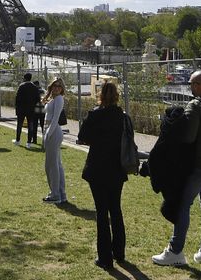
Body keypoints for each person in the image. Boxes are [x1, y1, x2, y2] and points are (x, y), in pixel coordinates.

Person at [152, 70, 201, 268]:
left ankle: (175, 251)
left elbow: (188, 138)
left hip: (200, 165)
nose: (190, 87)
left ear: (197, 85)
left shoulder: (195, 106)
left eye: (191, 84)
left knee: (183, 205)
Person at [78, 80, 128, 270]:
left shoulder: (95, 115)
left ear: (100, 95)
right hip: (116, 167)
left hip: (98, 166)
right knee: (115, 209)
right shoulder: (122, 116)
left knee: (102, 212)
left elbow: (83, 137)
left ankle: (105, 257)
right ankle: (119, 252)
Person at [41, 78, 67, 204]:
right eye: (55, 85)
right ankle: (60, 193)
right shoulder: (54, 99)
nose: (57, 88)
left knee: (51, 165)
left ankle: (55, 194)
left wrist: (48, 135)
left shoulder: (58, 99)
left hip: (53, 131)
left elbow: (55, 118)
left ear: (62, 88)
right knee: (56, 164)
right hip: (51, 130)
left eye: (59, 86)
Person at [14, 73, 40, 147]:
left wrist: (17, 108)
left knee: (19, 125)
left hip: (21, 109)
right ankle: (29, 142)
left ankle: (18, 140)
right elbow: (38, 99)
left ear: (25, 78)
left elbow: (17, 98)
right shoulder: (34, 87)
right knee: (30, 126)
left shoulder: (21, 86)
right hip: (31, 109)